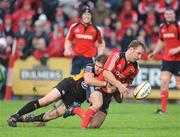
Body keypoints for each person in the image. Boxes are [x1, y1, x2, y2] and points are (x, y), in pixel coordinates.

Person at [7, 55, 109, 127]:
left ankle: (25, 119)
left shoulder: (105, 76)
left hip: (76, 99)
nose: (97, 68)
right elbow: (88, 80)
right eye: (97, 65)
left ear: (105, 68)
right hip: (68, 85)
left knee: (50, 116)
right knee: (45, 101)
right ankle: (16, 115)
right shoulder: (90, 66)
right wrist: (105, 84)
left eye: (100, 67)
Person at [77, 40, 146, 128]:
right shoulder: (116, 56)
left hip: (109, 93)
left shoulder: (135, 68)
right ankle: (82, 129)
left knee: (94, 125)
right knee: (98, 103)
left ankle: (75, 110)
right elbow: (106, 73)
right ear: (131, 49)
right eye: (138, 53)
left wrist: (121, 89)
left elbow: (127, 82)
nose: (140, 57)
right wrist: (119, 85)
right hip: (99, 85)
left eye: (141, 55)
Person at [148, 8, 180, 114]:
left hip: (178, 60)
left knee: (179, 84)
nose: (169, 15)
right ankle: (163, 109)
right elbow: (161, 41)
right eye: (167, 14)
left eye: (171, 13)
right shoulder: (162, 27)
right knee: (164, 81)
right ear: (164, 15)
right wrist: (155, 52)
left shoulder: (178, 26)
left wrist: (177, 49)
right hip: (167, 59)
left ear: (174, 15)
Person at [64, 5, 105, 75]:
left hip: (90, 59)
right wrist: (67, 49)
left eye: (89, 14)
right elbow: (68, 40)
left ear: (91, 16)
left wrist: (99, 56)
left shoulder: (97, 29)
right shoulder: (74, 27)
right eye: (85, 14)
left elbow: (101, 44)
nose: (87, 16)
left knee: (88, 78)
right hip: (76, 58)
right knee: (73, 78)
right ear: (81, 15)